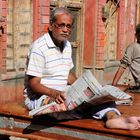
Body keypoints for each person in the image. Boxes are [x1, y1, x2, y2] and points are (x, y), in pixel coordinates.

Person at [24, 7, 140, 130]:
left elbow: (67, 74)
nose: (65, 30)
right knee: (67, 107)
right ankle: (103, 114)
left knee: (101, 99)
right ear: (51, 26)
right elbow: (33, 83)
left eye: (68, 26)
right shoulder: (39, 47)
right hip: (41, 97)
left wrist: (86, 89)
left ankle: (113, 118)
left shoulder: (66, 45)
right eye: (61, 25)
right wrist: (54, 93)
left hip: (63, 92)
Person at [112, 24, 140, 92]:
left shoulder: (133, 47)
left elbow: (123, 66)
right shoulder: (134, 47)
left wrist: (113, 86)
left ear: (136, 35)